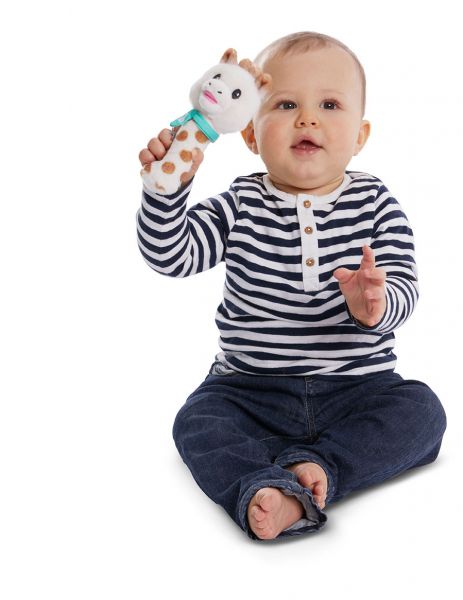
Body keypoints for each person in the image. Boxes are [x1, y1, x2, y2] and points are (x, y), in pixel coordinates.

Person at [136, 31, 447, 541]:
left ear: (360, 135)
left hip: (358, 387)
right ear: (251, 135)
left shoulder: (375, 202)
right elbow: (171, 255)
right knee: (197, 421)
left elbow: (404, 285)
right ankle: (262, 486)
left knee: (423, 412)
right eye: (285, 105)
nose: (307, 119)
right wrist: (165, 193)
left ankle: (320, 468)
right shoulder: (240, 204)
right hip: (249, 390)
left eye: (329, 105)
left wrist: (374, 304)